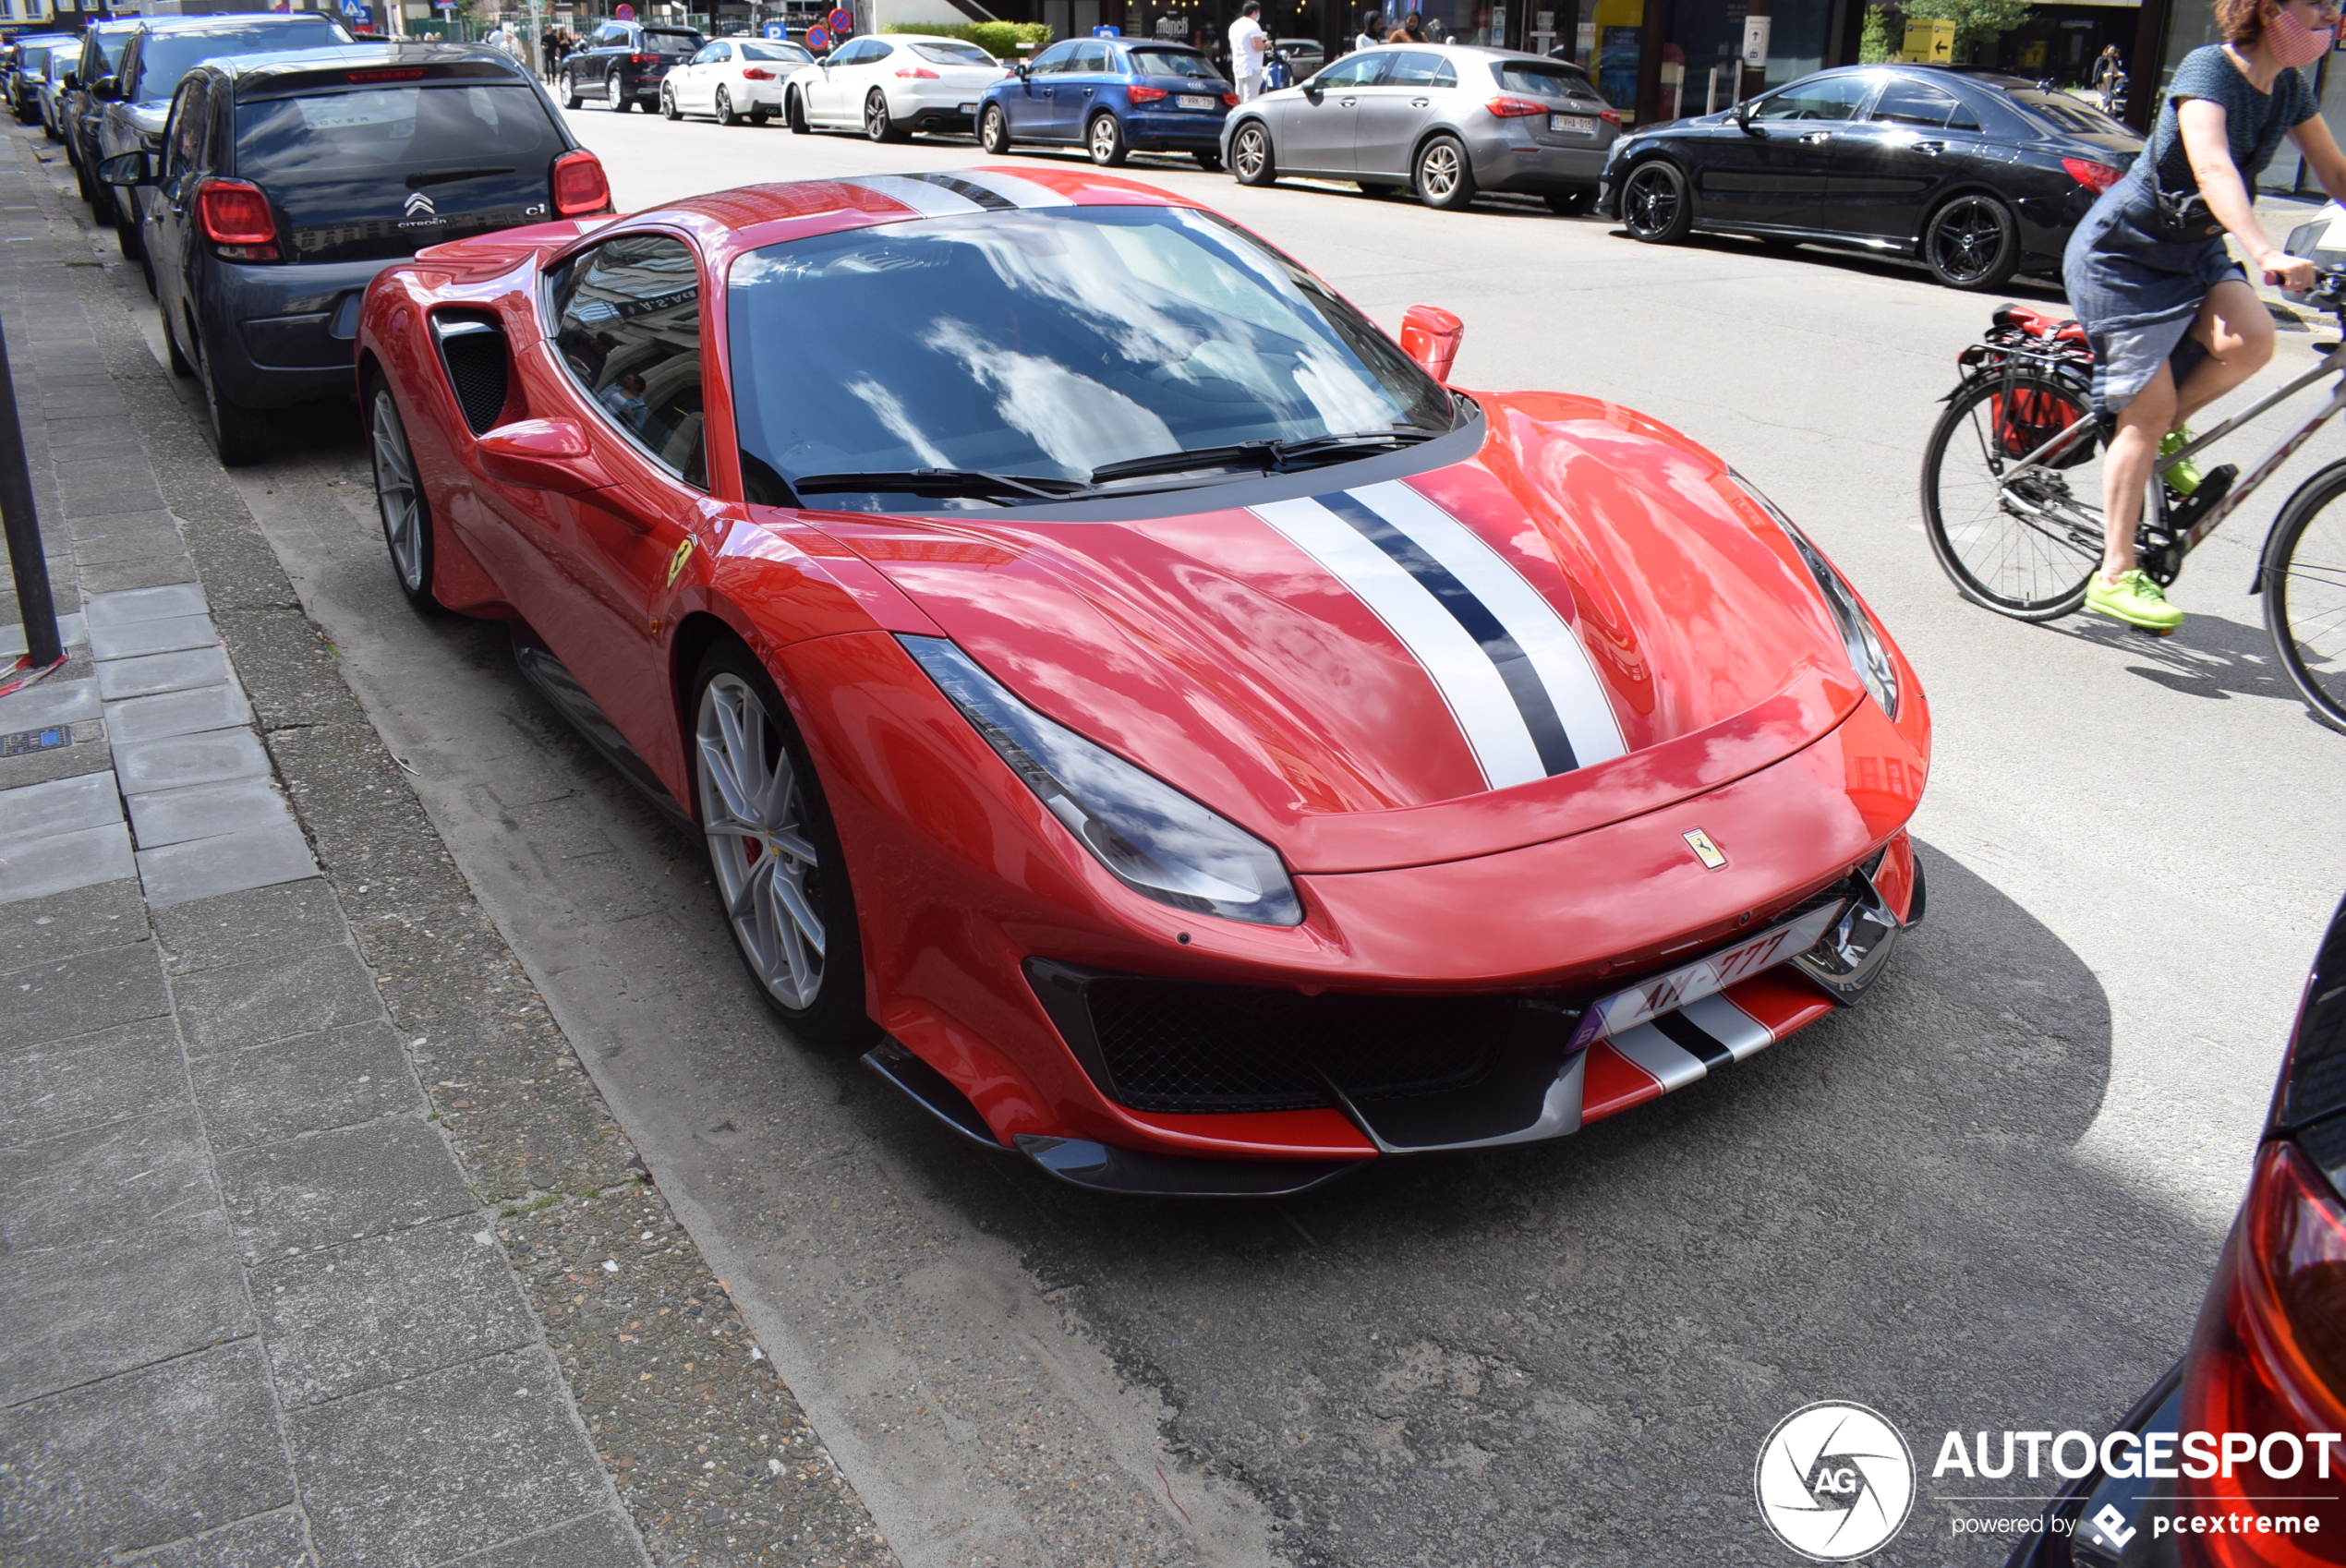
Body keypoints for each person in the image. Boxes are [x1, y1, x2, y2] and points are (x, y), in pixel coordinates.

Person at [2061, 0, 2346, 633]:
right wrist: (2264, 250)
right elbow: (2213, 168)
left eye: (2335, 5)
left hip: (2192, 250)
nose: (2330, 16)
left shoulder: (2288, 88)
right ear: (2268, 10)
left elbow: (2333, 172)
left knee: (2252, 339)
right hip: (2123, 258)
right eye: (2317, 5)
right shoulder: (2207, 70)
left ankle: (2162, 429)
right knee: (2148, 408)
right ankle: (2114, 574)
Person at [1228, 0, 1269, 100]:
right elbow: (1257, 46)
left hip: (1238, 66)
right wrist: (1266, 45)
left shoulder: (1233, 26)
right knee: (1250, 99)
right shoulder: (1254, 25)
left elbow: (1231, 46)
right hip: (1252, 67)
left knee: (1239, 98)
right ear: (1255, 12)